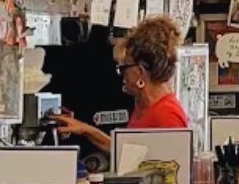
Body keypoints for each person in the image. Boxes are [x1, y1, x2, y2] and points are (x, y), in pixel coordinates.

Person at [51, 15, 188, 152]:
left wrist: (87, 130)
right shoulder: (144, 106)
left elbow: (169, 169)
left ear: (140, 72)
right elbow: (128, 152)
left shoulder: (167, 117)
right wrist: (85, 130)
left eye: (124, 68)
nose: (122, 75)